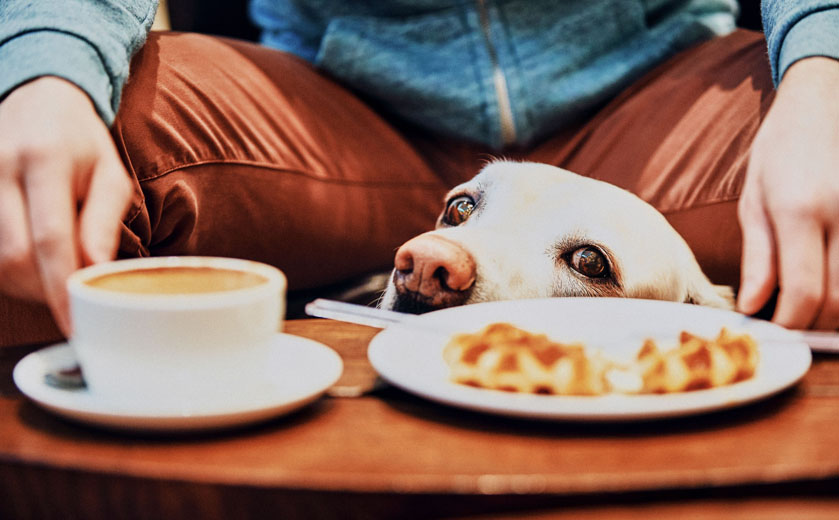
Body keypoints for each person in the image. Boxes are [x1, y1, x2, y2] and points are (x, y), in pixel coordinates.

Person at [0, 0, 837, 340]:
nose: (435, 253)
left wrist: (825, 65)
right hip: (339, 115)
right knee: (67, 153)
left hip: (659, 96)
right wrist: (46, 70)